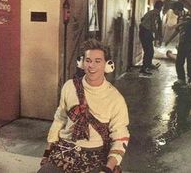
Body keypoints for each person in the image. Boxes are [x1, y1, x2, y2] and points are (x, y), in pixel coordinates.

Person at [38, 39, 130, 173]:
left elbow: (120, 136)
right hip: (65, 149)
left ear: (107, 65)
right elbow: (60, 119)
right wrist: (47, 153)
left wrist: (108, 168)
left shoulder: (115, 99)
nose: (91, 66)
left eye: (98, 61)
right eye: (88, 60)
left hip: (95, 155)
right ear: (81, 63)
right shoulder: (69, 87)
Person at [165, 2, 191, 88]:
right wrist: (169, 40)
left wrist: (178, 24)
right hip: (182, 43)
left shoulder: (187, 15)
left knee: (189, 62)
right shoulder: (179, 17)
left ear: (177, 9)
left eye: (173, 10)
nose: (173, 12)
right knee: (179, 62)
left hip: (190, 42)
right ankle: (181, 79)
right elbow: (177, 30)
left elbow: (189, 23)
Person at [139, 0, 164, 76]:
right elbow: (153, 24)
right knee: (148, 51)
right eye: (161, 7)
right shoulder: (154, 13)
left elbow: (142, 19)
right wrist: (156, 35)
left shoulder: (151, 12)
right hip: (145, 32)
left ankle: (148, 65)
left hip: (145, 31)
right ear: (160, 7)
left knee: (150, 50)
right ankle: (144, 68)